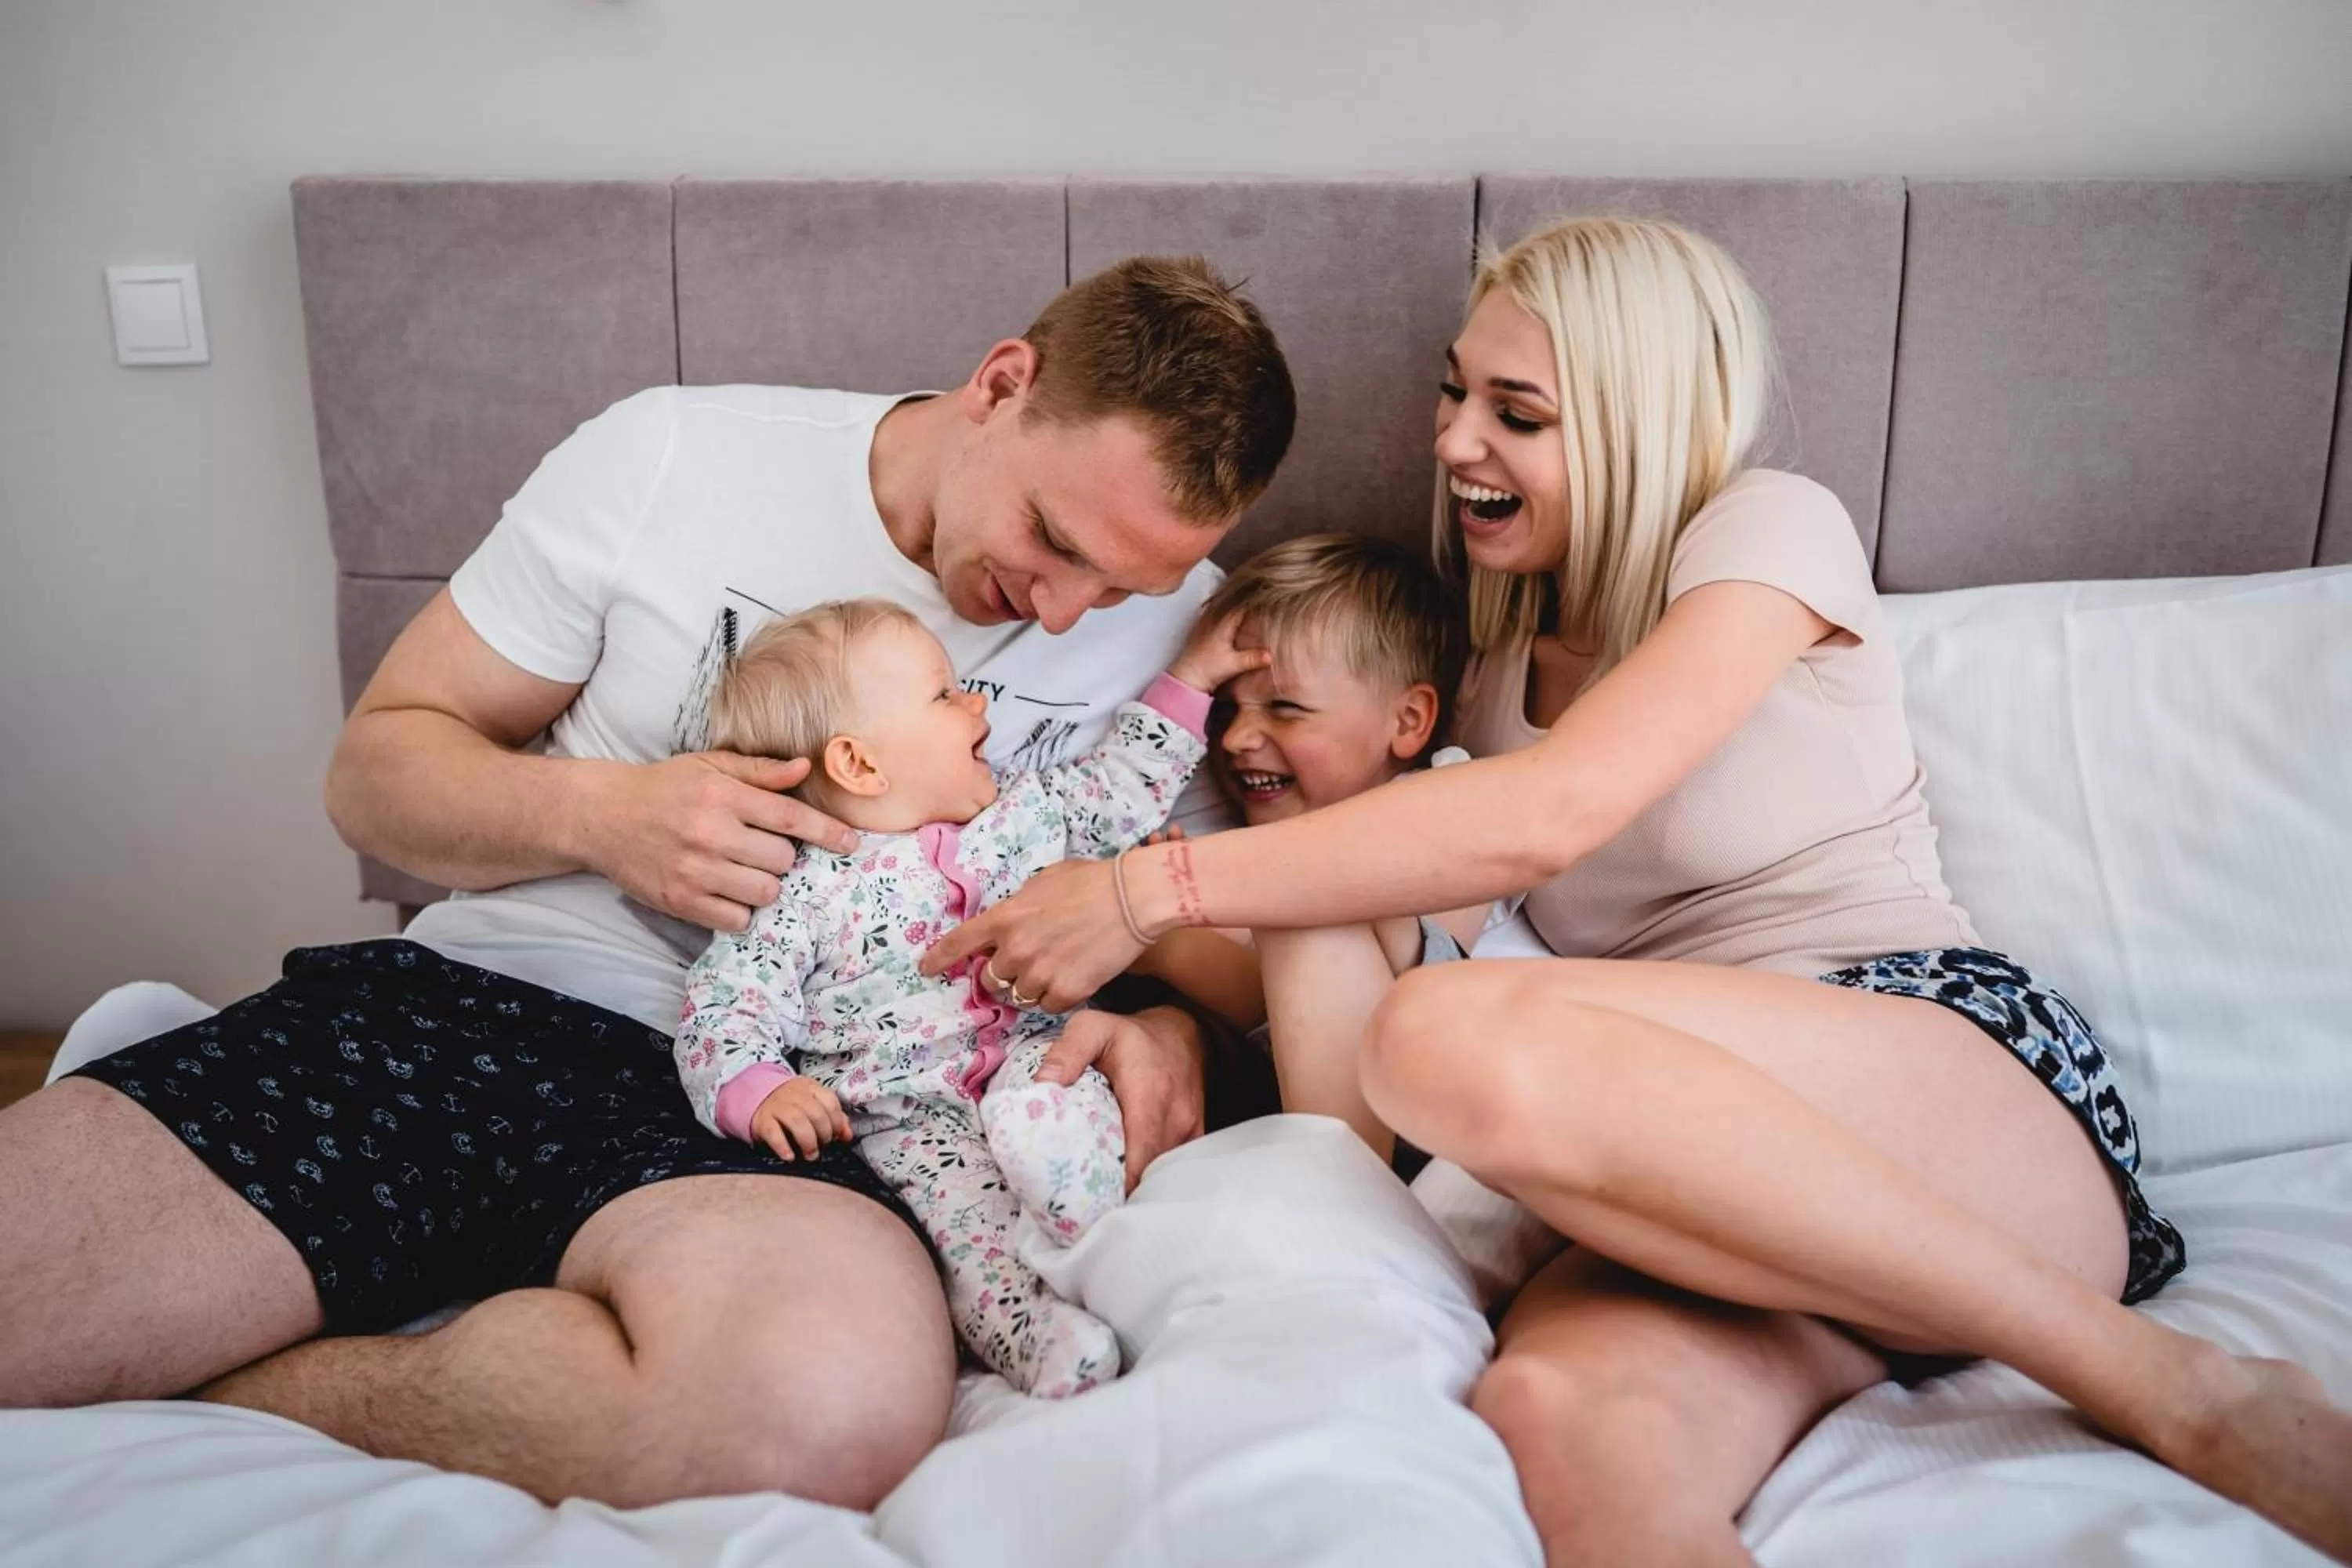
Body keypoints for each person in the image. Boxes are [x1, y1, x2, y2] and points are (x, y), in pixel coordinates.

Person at [924, 218, 2352, 1565]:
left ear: (1638, 416)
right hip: (1716, 1194)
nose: (1455, 441)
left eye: (1516, 414)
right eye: (1453, 395)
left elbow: (1555, 815)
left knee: (1455, 1044)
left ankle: (2173, 1387)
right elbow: (1363, 933)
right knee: (1561, 1432)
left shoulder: (1758, 538)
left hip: (1949, 1097)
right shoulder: (1485, 675)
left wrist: (1144, 890)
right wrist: (1126, 975)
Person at [0, 256, 1296, 1510]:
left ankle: (247, 1396)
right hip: (480, 1007)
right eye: (1052, 538)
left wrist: (1176, 1028)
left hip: (811, 1120)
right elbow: (374, 771)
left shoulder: (1173, 637)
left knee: (808, 1408)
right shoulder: (677, 454)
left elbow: (1237, 969)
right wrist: (602, 816)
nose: (1068, 613)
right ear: (1001, 382)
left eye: (1119, 585)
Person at [673, 597, 1258, 1396]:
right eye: (945, 695)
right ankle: (1038, 1337)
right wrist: (758, 1088)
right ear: (860, 765)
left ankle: (1090, 1209)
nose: (979, 702)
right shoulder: (797, 891)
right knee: (969, 1236)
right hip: (909, 1116)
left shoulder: (1023, 813)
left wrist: (1191, 679)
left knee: (1066, 1097)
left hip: (1037, 1057)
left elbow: (1121, 786)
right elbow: (725, 1005)